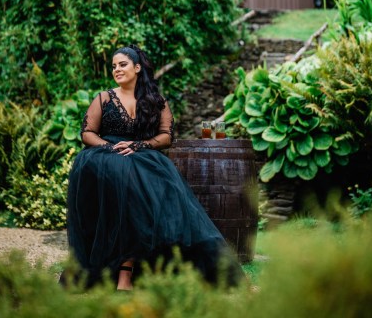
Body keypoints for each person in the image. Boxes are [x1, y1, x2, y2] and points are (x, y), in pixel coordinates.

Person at [66, 44, 243, 290]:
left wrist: (138, 145)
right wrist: (110, 148)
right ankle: (121, 274)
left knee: (162, 196)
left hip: (142, 155)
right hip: (104, 158)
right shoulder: (104, 98)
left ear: (137, 68)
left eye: (123, 64)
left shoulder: (156, 101)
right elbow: (87, 133)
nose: (117, 69)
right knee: (121, 176)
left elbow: (165, 136)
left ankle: (138, 271)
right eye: (114, 66)